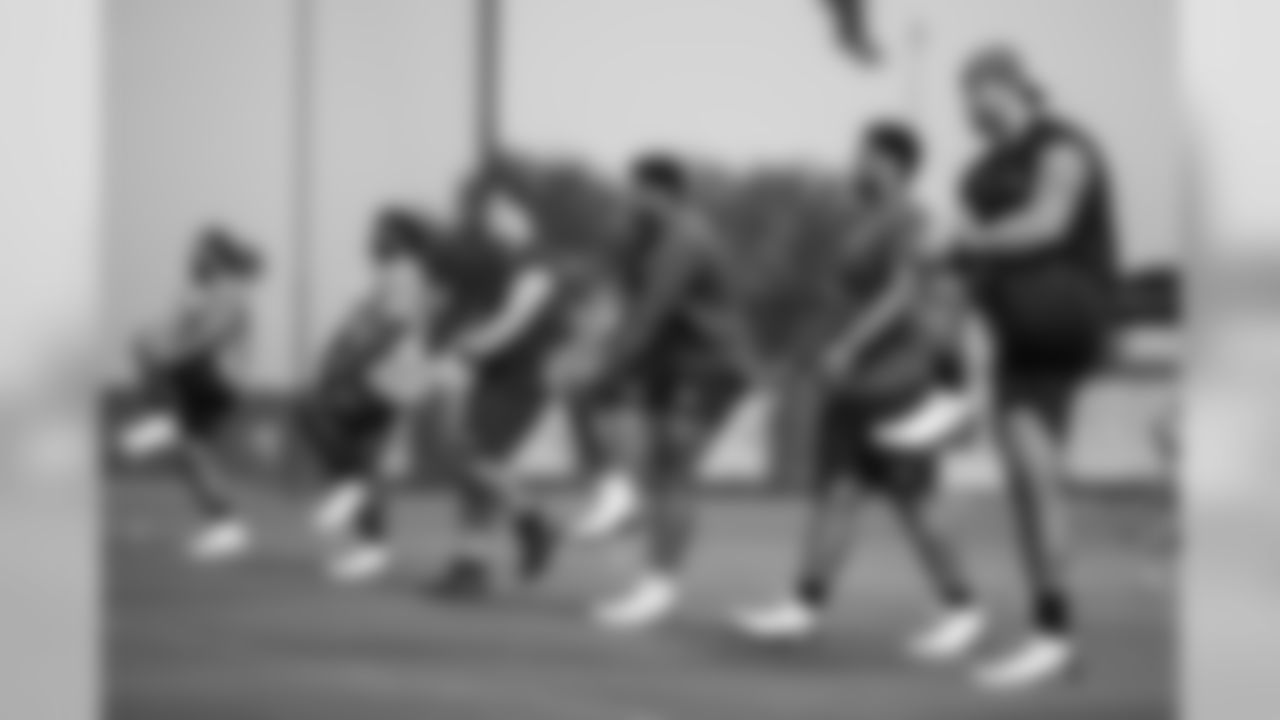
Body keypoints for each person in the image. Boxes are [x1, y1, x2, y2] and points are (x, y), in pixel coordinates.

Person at [733, 121, 989, 663]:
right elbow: (842, 298)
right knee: (835, 495)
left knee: (914, 501)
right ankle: (804, 606)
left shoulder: (910, 218)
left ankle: (962, 610)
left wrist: (850, 344)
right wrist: (810, 354)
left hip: (895, 381)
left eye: (865, 155)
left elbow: (904, 290)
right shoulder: (861, 220)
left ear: (893, 163)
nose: (855, 162)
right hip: (851, 387)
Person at [953, 46, 1120, 690]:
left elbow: (1049, 223)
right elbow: (973, 272)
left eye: (973, 91)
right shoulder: (977, 174)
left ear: (1009, 85)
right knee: (1029, 477)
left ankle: (1052, 633)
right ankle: (1053, 630)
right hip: (1016, 332)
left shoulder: (1061, 146)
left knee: (1034, 472)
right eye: (962, 97)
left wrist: (965, 241)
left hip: (1064, 313)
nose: (967, 108)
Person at [589, 154, 764, 630]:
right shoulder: (648, 238)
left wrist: (606, 368)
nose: (629, 200)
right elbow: (627, 299)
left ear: (661, 192)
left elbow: (649, 312)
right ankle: (648, 565)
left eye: (637, 191)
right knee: (662, 468)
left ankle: (657, 587)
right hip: (677, 362)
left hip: (712, 364)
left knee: (673, 468)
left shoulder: (686, 238)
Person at [425, 189, 572, 598]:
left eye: (497, 223)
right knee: (475, 472)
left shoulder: (535, 271)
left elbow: (510, 326)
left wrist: (464, 346)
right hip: (489, 376)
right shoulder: (488, 271)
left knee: (473, 458)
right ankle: (471, 563)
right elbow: (453, 313)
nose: (490, 231)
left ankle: (534, 521)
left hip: (522, 379)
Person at [303, 208, 446, 584]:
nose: (371, 238)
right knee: (364, 457)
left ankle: (350, 490)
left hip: (387, 375)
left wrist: (349, 365)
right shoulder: (397, 273)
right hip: (388, 374)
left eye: (379, 232)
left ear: (398, 238)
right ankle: (371, 548)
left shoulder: (403, 271)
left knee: (315, 413)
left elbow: (392, 327)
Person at [119, 227, 263, 562]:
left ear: (214, 257)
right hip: (203, 376)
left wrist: (166, 354)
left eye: (199, 253)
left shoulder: (228, 290)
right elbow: (175, 331)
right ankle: (225, 526)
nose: (191, 258)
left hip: (217, 378)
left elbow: (209, 338)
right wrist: (162, 338)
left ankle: (163, 422)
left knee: (148, 348)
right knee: (193, 452)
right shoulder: (203, 291)